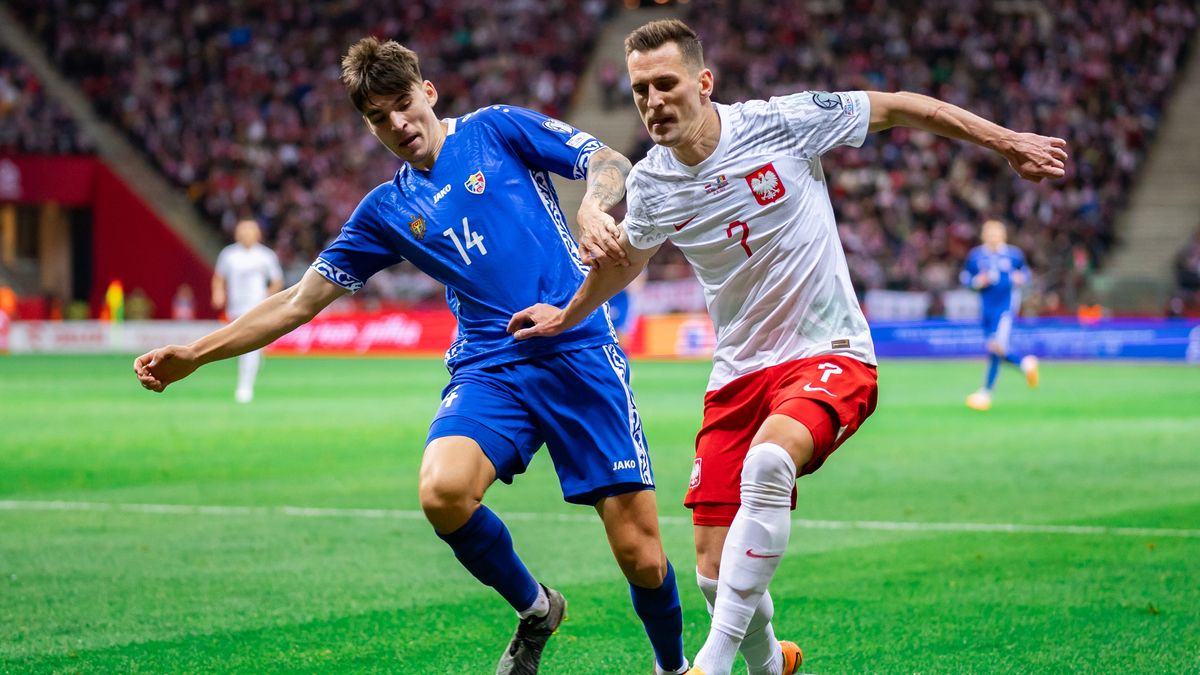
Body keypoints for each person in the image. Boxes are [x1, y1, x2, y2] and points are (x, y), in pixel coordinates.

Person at [508, 19, 1068, 675]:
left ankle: (710, 666)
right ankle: (773, 664)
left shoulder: (782, 123)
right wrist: (565, 313)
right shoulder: (655, 183)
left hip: (830, 352)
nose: (654, 102)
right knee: (717, 575)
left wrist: (1007, 142)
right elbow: (623, 262)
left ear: (703, 82)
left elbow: (899, 107)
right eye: (640, 91)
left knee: (769, 464)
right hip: (738, 376)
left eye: (666, 84)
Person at [135, 37, 688, 675]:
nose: (397, 125)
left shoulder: (498, 129)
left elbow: (606, 157)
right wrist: (197, 354)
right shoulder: (386, 211)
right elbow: (296, 302)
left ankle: (672, 668)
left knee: (641, 557)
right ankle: (537, 609)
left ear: (427, 92)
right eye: (378, 118)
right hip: (491, 364)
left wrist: (592, 202)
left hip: (577, 347)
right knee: (442, 491)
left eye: (403, 105)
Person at [960, 219, 1039, 411]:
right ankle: (1025, 364)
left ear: (1003, 235)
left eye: (996, 233)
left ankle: (986, 393)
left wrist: (1021, 278)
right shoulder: (977, 256)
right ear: (984, 235)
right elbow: (965, 278)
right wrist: (978, 281)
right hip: (986, 308)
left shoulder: (1013, 255)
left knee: (996, 346)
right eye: (989, 233)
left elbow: (1026, 273)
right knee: (994, 348)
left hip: (1005, 308)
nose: (993, 237)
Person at [212, 219, 284, 403]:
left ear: (257, 234)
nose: (245, 234)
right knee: (238, 346)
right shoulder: (228, 255)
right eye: (242, 231)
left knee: (249, 345)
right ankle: (255, 357)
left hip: (256, 307)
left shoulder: (266, 256)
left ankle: (245, 388)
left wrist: (267, 299)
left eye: (249, 230)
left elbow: (277, 280)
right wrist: (218, 293)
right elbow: (219, 277)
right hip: (235, 307)